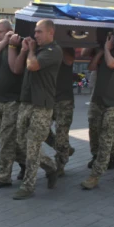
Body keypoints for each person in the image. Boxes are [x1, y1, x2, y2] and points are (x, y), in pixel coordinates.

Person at [6, 19, 61, 200]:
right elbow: (18, 68)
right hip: (26, 101)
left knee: (33, 145)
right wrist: (23, 49)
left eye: (39, 32)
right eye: (35, 32)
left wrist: (30, 50)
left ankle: (28, 186)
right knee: (21, 142)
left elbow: (33, 66)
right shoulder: (35, 50)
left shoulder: (53, 50)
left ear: (50, 33)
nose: (35, 35)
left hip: (42, 105)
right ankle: (51, 167)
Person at [81, 31, 114, 189]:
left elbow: (112, 64)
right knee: (96, 135)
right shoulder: (106, 54)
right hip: (97, 101)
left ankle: (95, 176)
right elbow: (91, 67)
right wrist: (100, 52)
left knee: (106, 140)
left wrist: (105, 48)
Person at [0, 20, 25, 188]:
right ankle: (26, 162)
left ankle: (4, 176)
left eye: (0, 32)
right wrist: (2, 42)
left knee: (7, 139)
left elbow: (15, 69)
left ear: (10, 31)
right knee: (1, 137)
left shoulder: (17, 44)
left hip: (12, 101)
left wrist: (10, 44)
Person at [44, 47, 76, 177]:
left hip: (64, 99)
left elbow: (69, 60)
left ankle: (60, 165)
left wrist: (57, 45)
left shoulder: (65, 46)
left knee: (62, 133)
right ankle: (64, 150)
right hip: (46, 98)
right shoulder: (43, 48)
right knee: (42, 130)